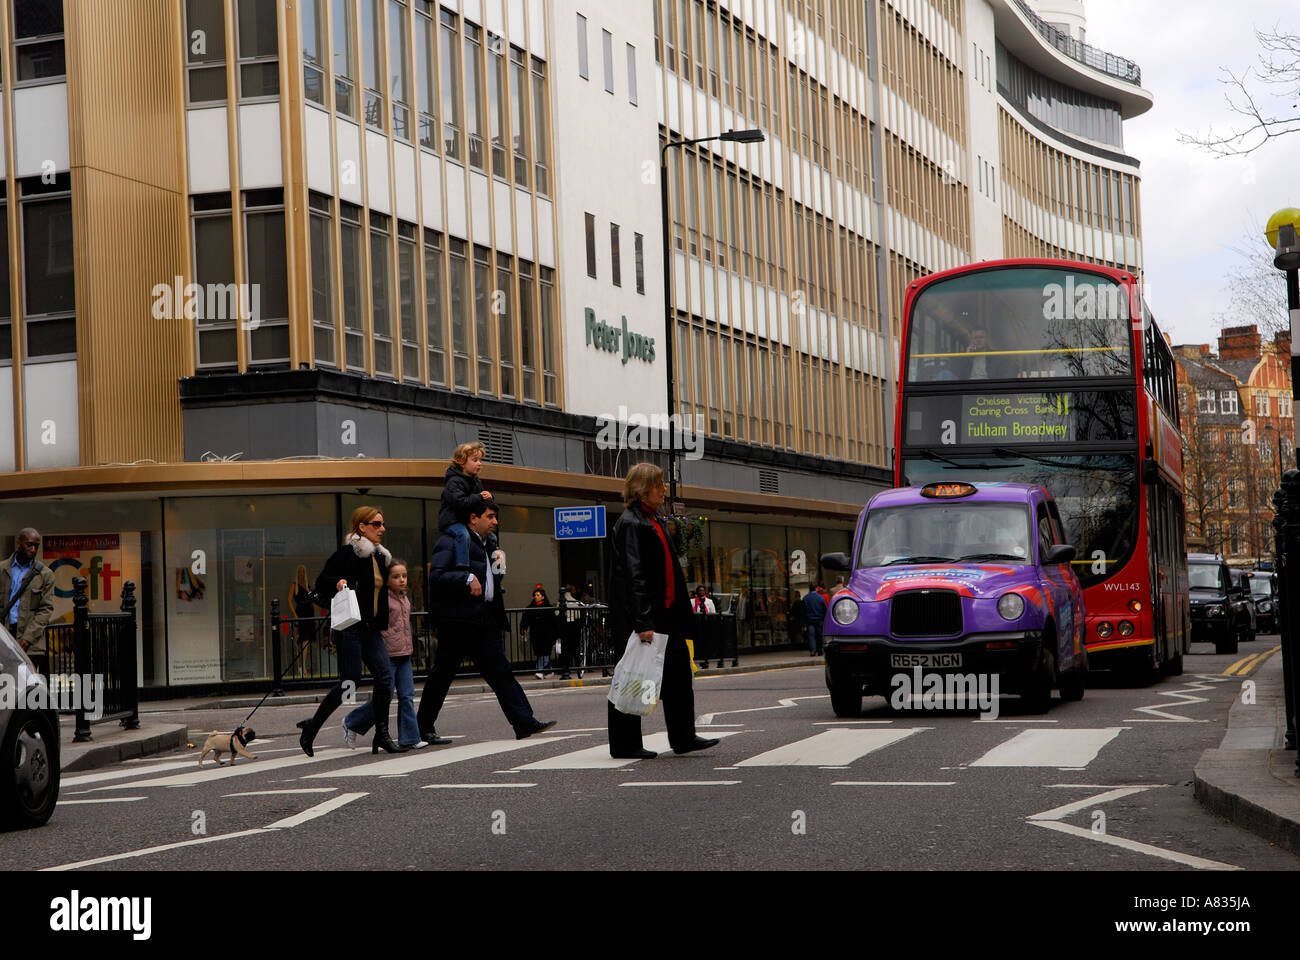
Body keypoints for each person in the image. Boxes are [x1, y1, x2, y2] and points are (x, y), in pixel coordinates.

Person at [416, 501, 555, 742]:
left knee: (501, 671)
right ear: (473, 518)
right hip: (458, 621)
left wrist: (499, 568)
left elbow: (492, 580)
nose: (495, 522)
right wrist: (466, 576)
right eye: (490, 517)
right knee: (442, 675)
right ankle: (423, 727)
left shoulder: (489, 544)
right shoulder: (451, 541)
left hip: (485, 616)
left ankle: (524, 722)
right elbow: (437, 577)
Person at [606, 462, 719, 760]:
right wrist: (643, 621)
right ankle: (624, 743)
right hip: (645, 616)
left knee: (679, 675)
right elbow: (634, 575)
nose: (664, 489)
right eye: (659, 485)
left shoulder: (651, 519)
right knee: (635, 677)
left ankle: (683, 737)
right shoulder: (631, 522)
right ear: (644, 489)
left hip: (666, 614)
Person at [298, 506, 400, 756]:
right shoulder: (348, 553)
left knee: (386, 679)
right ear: (361, 527)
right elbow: (321, 582)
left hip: (370, 629)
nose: (382, 529)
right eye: (376, 524)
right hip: (350, 628)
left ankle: (383, 734)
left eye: (383, 524)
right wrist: (337, 582)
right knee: (350, 681)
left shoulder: (378, 557)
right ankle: (312, 727)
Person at [341, 560, 426, 750]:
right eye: (396, 577)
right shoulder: (382, 599)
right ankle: (352, 721)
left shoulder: (404, 598)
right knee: (384, 698)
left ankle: (410, 738)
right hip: (387, 654)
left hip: (404, 654)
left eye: (404, 576)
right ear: (386, 580)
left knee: (407, 696)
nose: (401, 580)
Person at [1, 528, 55, 676]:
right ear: (18, 543)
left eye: (36, 546)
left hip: (31, 642)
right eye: (29, 545)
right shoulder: (2, 570)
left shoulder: (45, 574)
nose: (33, 549)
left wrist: (27, 639)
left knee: (29, 687)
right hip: (5, 637)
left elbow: (46, 609)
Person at [439, 441, 499, 571]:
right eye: (475, 460)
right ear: (461, 462)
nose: (479, 463)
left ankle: (496, 569)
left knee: (492, 537)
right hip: (453, 521)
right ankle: (463, 566)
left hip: (467, 521)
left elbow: (482, 503)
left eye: (480, 460)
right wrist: (480, 497)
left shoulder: (476, 481)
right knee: (463, 535)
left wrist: (489, 497)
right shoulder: (453, 481)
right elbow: (459, 502)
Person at [521, 585, 558, 678]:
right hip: (536, 633)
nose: (536, 597)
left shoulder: (548, 608)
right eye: (535, 595)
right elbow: (525, 620)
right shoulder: (530, 608)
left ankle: (540, 670)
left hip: (547, 634)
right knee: (539, 652)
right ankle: (548, 670)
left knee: (545, 652)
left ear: (543, 596)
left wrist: (556, 633)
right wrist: (523, 628)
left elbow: (554, 621)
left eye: (538, 595)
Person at [802, 584, 828, 656]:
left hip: (809, 620)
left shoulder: (805, 598)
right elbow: (825, 609)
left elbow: (803, 610)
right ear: (816, 588)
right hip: (819, 619)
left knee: (811, 636)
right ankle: (820, 650)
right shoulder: (820, 598)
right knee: (819, 635)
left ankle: (812, 651)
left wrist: (804, 620)